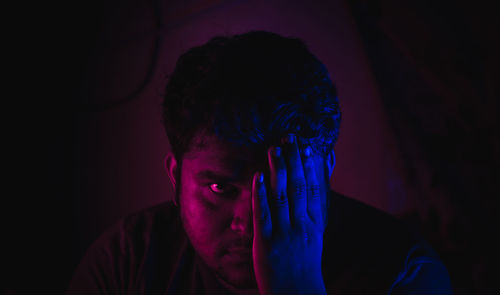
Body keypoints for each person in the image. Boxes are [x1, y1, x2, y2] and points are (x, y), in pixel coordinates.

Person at [66, 31, 453, 295]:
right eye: (219, 188)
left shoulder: (404, 276)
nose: (250, 221)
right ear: (174, 176)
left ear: (324, 173)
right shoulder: (125, 262)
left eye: (280, 188)